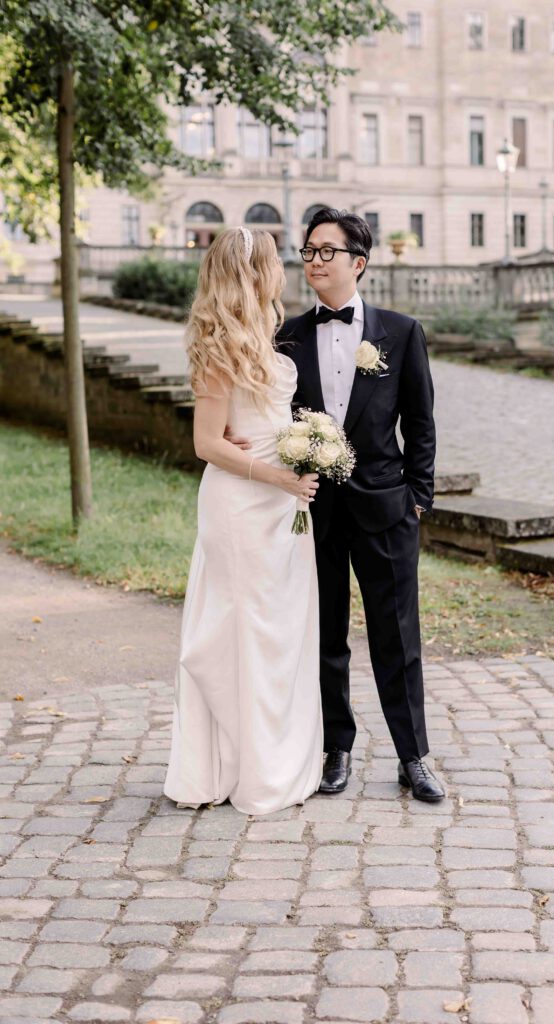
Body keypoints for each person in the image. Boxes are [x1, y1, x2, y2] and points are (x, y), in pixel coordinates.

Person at [277, 208, 445, 802]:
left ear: (358, 263)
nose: (315, 261)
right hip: (314, 510)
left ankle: (413, 755)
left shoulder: (401, 332)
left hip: (387, 508)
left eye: (327, 251)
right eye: (309, 251)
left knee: (398, 637)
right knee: (323, 634)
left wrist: (417, 498)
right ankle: (335, 749)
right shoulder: (288, 336)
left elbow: (421, 424)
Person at [162, 226, 323, 816]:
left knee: (281, 628)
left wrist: (305, 451)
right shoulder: (217, 345)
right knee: (243, 631)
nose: (284, 270)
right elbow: (207, 442)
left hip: (284, 505)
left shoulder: (265, 335)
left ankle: (274, 757)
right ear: (252, 274)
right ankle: (237, 768)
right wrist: (277, 474)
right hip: (242, 503)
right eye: (275, 263)